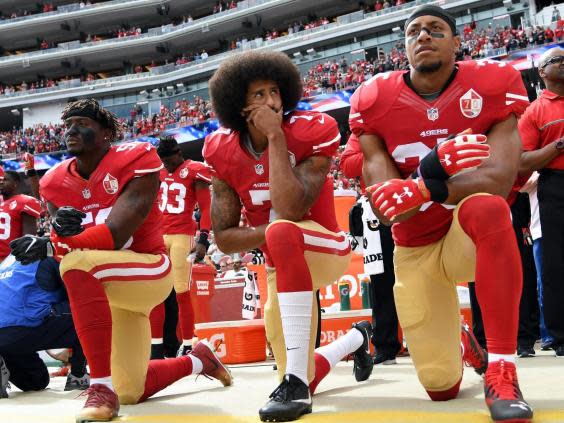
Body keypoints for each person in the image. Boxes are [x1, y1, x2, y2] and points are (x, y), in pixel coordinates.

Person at [349, 5, 532, 423]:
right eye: (414, 31)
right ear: (404, 48)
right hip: (415, 246)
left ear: (457, 42)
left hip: (467, 233)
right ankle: (460, 340)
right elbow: (387, 205)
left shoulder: (492, 82)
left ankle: (502, 368)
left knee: (487, 207)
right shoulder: (375, 99)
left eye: (436, 29)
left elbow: (501, 180)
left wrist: (426, 183)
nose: (424, 36)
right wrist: (425, 177)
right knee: (441, 388)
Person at [9, 99, 232, 423]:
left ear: (106, 133)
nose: (71, 129)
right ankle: (199, 360)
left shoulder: (136, 160)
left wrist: (51, 246)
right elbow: (65, 242)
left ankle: (99, 387)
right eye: (68, 124)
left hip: (148, 268)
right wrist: (56, 239)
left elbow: (114, 234)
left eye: (82, 123)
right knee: (130, 389)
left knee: (75, 264)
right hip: (110, 286)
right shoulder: (55, 181)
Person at [204, 50, 371, 421]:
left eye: (275, 91)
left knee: (283, 229)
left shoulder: (311, 129)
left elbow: (293, 209)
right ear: (237, 104)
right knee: (298, 372)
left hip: (325, 247)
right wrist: (273, 235)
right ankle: (356, 339)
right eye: (258, 95)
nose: (271, 101)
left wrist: (276, 138)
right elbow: (227, 238)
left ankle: (296, 379)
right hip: (281, 258)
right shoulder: (222, 150)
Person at [518, 47, 564, 357]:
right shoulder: (534, 111)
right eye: (557, 60)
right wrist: (559, 145)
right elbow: (521, 161)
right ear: (543, 73)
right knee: (556, 263)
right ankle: (559, 336)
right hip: (555, 185)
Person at [150, 136, 213, 358]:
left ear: (178, 154)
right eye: (163, 161)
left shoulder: (194, 169)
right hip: (158, 235)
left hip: (181, 236)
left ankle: (187, 343)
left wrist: (203, 239)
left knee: (182, 292)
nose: (165, 165)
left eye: (168, 160)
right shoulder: (159, 172)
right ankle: (155, 346)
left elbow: (206, 208)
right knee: (156, 293)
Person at [0, 256, 88, 398]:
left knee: (36, 381)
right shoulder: (56, 255)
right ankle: (79, 377)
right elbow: (78, 297)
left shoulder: (11, 257)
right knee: (89, 310)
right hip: (25, 324)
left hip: (7, 337)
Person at [0, 170, 41, 261]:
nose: (1, 182)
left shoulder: (24, 201)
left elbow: (28, 238)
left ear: (16, 183)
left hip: (9, 259)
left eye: (5, 179)